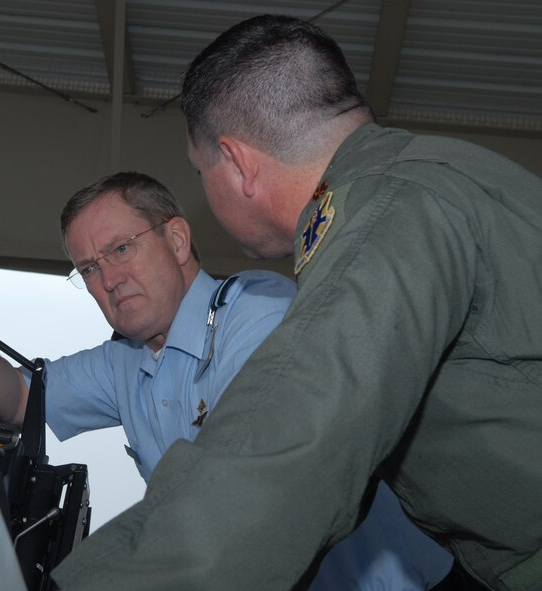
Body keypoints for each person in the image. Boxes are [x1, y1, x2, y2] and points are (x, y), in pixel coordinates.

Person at [51, 15, 542, 591]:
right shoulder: (436, 178)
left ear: (235, 163)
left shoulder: (386, 216)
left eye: (200, 169)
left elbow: (292, 446)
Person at [0, 171, 295, 483]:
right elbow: (22, 397)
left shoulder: (256, 311)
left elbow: (239, 480)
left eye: (122, 249)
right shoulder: (123, 360)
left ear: (178, 241)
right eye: (90, 269)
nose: (109, 280)